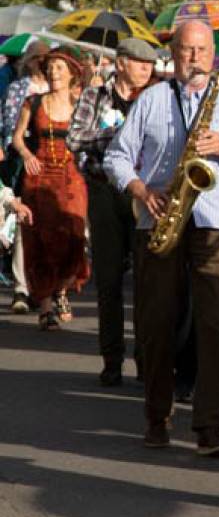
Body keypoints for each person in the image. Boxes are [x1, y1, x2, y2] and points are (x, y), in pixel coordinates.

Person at [104, 21, 219, 456]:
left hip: (215, 224)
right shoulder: (152, 99)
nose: (194, 58)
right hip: (159, 220)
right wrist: (140, 189)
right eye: (185, 50)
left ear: (213, 53)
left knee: (216, 326)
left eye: (201, 50)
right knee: (156, 325)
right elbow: (116, 156)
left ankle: (212, 430)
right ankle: (157, 416)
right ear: (172, 53)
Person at [67, 38, 156, 385]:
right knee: (109, 281)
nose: (146, 69)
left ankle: (147, 359)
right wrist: (121, 138)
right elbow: (74, 139)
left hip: (144, 194)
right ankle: (112, 359)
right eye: (139, 62)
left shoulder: (154, 98)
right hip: (105, 190)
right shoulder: (95, 96)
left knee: (148, 282)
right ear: (120, 63)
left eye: (150, 64)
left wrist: (108, 138)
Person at [13, 46, 90, 330]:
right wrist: (27, 155)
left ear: (72, 73)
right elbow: (17, 138)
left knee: (73, 236)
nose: (54, 72)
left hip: (71, 178)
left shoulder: (81, 105)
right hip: (39, 175)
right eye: (51, 67)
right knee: (39, 239)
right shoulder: (33, 102)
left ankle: (61, 289)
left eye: (60, 67)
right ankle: (46, 307)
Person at [3, 41, 50, 314]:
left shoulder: (59, 91)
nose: (42, 64)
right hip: (24, 161)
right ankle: (21, 288)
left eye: (47, 59)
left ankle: (43, 286)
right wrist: (21, 149)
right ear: (29, 61)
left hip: (55, 166)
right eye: (37, 59)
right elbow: (9, 125)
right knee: (24, 220)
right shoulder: (18, 89)